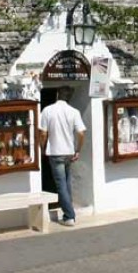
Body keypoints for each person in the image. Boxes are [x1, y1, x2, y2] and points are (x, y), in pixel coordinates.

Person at [39, 86, 86, 227]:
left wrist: (42, 148)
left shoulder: (48, 110)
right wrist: (77, 150)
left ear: (57, 95)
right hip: (69, 152)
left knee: (61, 185)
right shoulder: (74, 112)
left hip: (55, 152)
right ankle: (68, 213)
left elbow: (43, 133)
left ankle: (69, 216)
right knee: (66, 183)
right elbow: (81, 133)